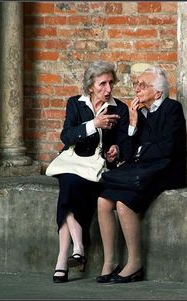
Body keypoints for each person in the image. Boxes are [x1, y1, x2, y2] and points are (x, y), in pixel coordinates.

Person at [96, 66, 187, 283]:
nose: (136, 89)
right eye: (136, 84)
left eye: (142, 85)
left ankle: (135, 264)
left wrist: (139, 151)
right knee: (103, 200)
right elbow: (127, 154)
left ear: (158, 93)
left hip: (166, 171)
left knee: (123, 204)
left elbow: (166, 149)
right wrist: (133, 123)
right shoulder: (139, 112)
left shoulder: (172, 109)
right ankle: (110, 262)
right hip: (141, 171)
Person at [52, 61, 131, 283]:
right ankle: (76, 248)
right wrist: (94, 123)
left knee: (69, 187)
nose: (108, 89)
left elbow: (123, 143)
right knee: (69, 181)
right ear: (90, 86)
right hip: (73, 163)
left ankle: (64, 257)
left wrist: (116, 150)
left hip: (97, 168)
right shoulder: (75, 104)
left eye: (110, 83)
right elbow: (66, 137)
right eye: (102, 84)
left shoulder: (120, 109)